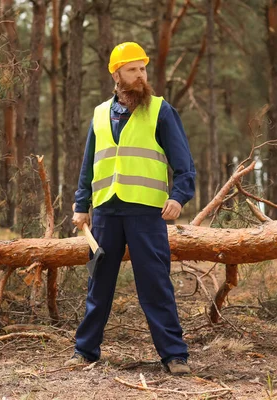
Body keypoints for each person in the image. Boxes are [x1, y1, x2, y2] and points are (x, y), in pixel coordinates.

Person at [66, 42, 196, 375]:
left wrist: (178, 197)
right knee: (99, 284)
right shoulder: (98, 114)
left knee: (155, 284)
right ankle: (85, 350)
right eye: (132, 70)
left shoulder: (160, 110)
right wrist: (82, 205)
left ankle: (174, 355)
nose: (140, 76)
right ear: (116, 75)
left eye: (143, 69)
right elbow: (88, 166)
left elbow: (184, 165)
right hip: (106, 214)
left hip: (147, 215)